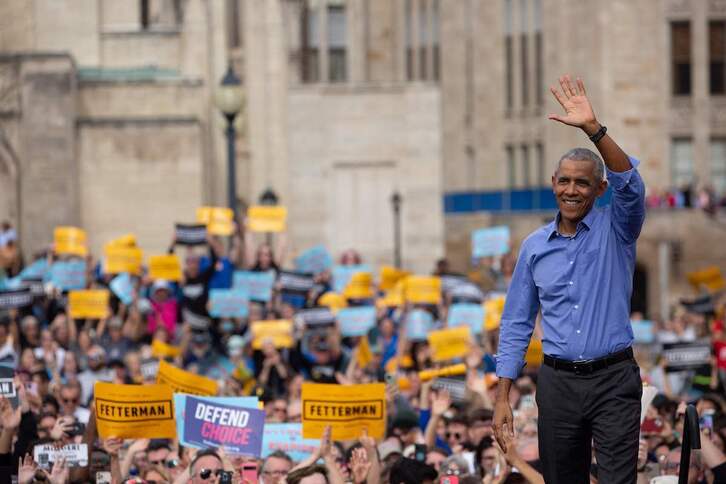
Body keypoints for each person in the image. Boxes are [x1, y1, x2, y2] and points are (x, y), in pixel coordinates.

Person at [494, 75, 646, 484]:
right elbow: (515, 324)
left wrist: (593, 129)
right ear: (553, 185)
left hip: (614, 380)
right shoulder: (533, 247)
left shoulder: (619, 229)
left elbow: (630, 186)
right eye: (564, 181)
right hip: (557, 383)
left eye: (582, 182)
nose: (572, 190)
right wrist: (502, 396)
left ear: (599, 189)